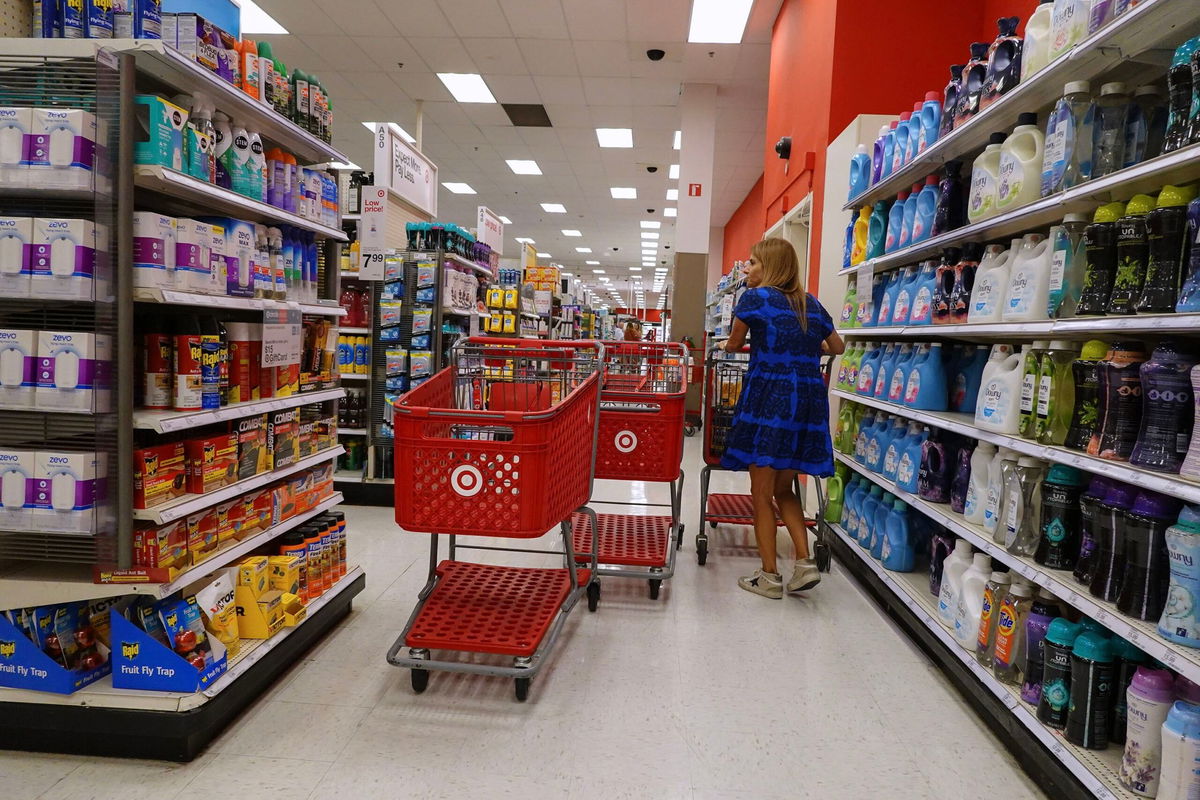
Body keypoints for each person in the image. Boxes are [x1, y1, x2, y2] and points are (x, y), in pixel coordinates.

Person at [721, 237, 844, 599]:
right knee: (784, 487)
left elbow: (732, 343)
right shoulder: (811, 303)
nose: (749, 269)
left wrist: (737, 345)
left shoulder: (755, 299)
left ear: (771, 267)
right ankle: (804, 563)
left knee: (760, 491)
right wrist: (807, 349)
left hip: (769, 398)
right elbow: (836, 347)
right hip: (806, 400)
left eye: (754, 263)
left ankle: (769, 575)